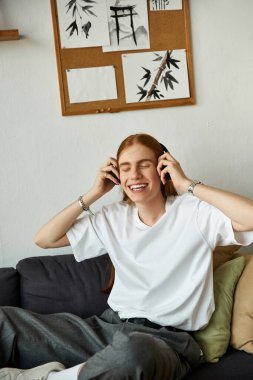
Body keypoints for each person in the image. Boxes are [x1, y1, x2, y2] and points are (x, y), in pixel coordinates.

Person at [1, 133, 253, 380]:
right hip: (109, 329)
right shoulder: (113, 216)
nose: (135, 175)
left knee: (132, 354)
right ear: (117, 176)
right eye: (126, 168)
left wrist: (187, 184)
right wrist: (94, 193)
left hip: (167, 342)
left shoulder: (195, 213)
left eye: (145, 165)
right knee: (4, 321)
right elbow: (46, 239)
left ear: (163, 169)